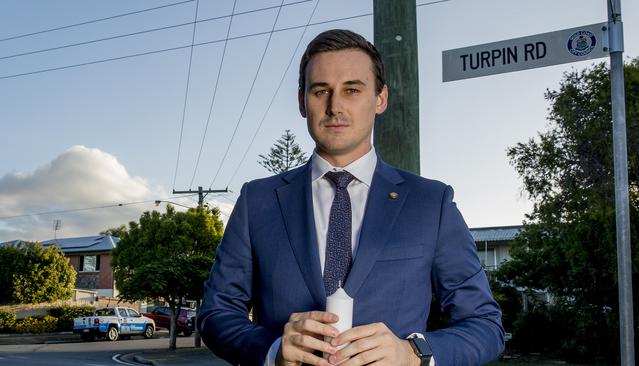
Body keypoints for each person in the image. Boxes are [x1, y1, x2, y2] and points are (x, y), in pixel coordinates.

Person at [199, 29, 504, 366]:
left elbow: (485, 326)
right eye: (321, 91)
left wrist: (414, 353)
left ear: (380, 98)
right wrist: (272, 350)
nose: (335, 106)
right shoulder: (257, 200)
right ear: (302, 101)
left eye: (352, 90)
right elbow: (217, 313)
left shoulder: (432, 203)